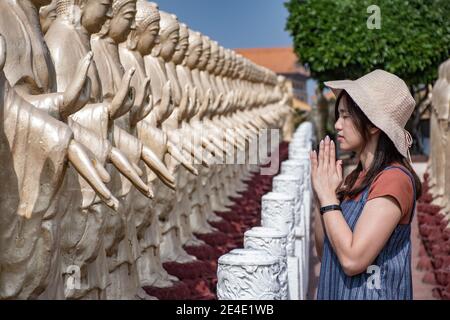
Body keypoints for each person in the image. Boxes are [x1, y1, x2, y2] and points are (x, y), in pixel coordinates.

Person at [310, 69, 423, 300]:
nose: (337, 125)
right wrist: (321, 197)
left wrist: (330, 201)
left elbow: (353, 260)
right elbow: (325, 252)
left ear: (373, 125)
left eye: (345, 116)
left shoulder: (394, 179)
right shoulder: (355, 178)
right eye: (337, 115)